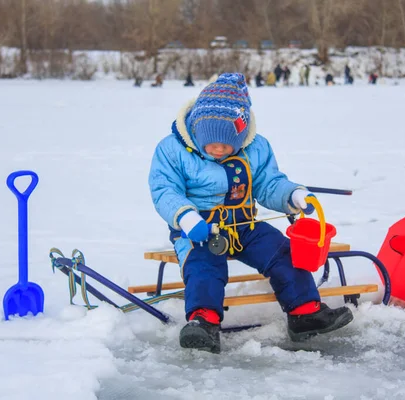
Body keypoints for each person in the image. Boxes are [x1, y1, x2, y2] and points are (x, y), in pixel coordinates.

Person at [148, 73, 353, 353]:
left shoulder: (256, 147)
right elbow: (164, 190)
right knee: (204, 266)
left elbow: (269, 183)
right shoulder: (172, 150)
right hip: (199, 228)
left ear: (241, 134)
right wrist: (186, 217)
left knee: (284, 253)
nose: (218, 149)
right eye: (211, 142)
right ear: (197, 129)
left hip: (244, 224)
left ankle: (305, 312)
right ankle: (203, 322)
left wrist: (292, 194)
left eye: (226, 143)